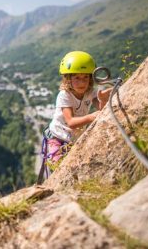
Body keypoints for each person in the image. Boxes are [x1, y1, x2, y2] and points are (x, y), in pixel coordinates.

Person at [40, 51, 112, 179]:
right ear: (68, 79)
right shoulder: (64, 95)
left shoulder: (91, 92)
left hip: (73, 139)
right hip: (57, 138)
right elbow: (71, 122)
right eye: (77, 78)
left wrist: (103, 100)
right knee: (58, 170)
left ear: (90, 78)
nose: (82, 82)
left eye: (85, 77)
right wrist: (91, 117)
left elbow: (100, 109)